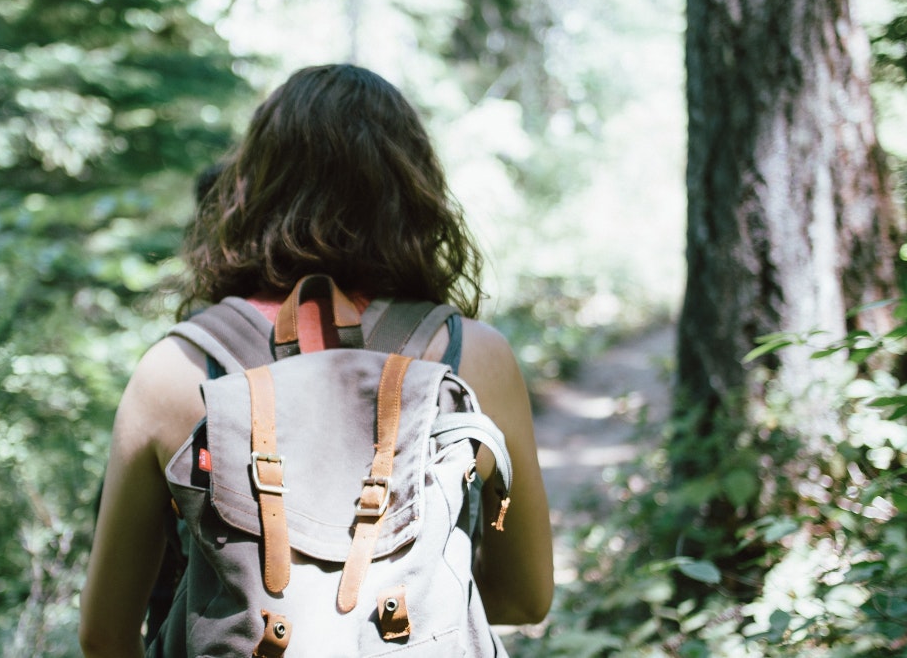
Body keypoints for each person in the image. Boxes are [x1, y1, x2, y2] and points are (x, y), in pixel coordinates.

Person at [78, 64, 553, 657]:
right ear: (413, 192)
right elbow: (526, 599)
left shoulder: (178, 369)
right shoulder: (472, 358)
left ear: (252, 186)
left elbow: (103, 634)